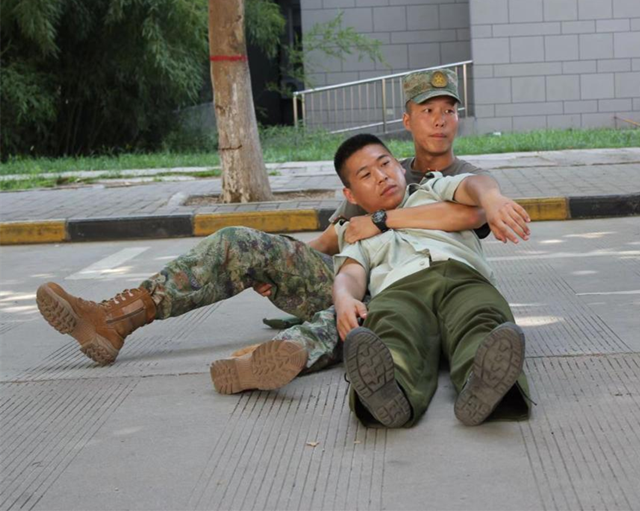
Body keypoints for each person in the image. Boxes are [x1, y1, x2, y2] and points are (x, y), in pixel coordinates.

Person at [35, 69, 530, 389]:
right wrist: (280, 262)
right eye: (428, 111)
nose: (440, 121)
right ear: (408, 120)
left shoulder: (463, 176)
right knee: (239, 243)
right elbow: (337, 238)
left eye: (448, 111)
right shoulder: (384, 169)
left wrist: (383, 220)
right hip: (357, 274)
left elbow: (470, 215)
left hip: (410, 289)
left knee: (354, 317)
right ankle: (117, 319)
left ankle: (277, 357)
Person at [331, 134, 531, 427]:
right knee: (391, 328)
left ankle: (484, 385)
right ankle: (390, 391)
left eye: (385, 164)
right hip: (400, 290)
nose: (382, 176)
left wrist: (491, 199)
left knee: (481, 318)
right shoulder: (356, 231)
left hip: (464, 278)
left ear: (400, 167)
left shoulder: (433, 189)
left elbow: (473, 184)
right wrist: (344, 299)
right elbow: (349, 273)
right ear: (350, 195)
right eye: (366, 175)